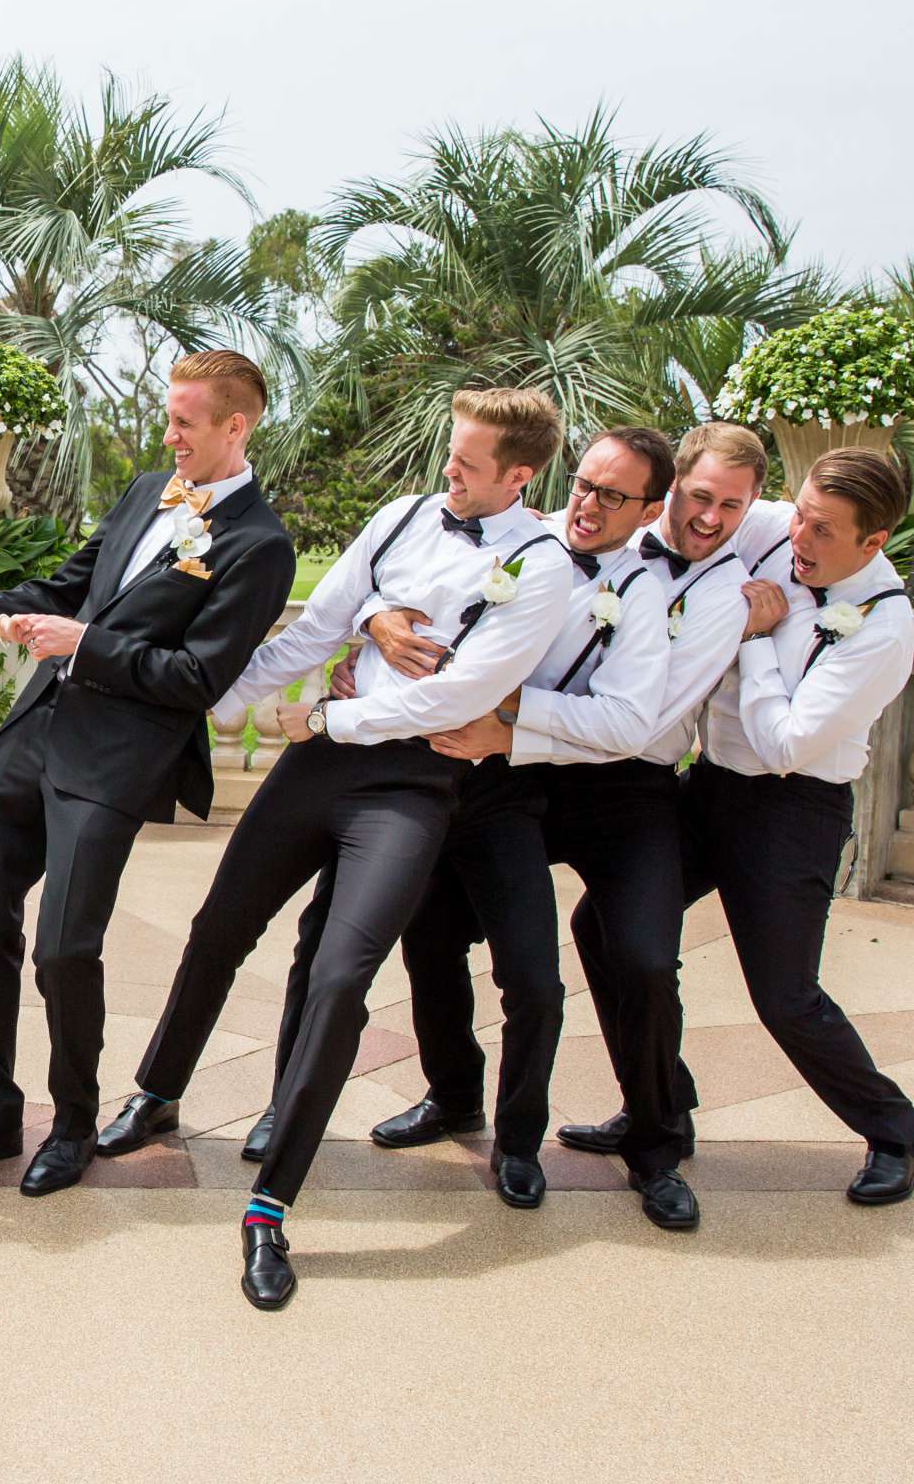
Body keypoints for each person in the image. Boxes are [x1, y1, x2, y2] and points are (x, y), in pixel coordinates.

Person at [95, 386, 572, 1310]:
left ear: (521, 475)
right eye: (451, 453)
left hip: (408, 788)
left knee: (342, 977)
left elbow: (455, 698)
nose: (449, 474)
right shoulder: (400, 516)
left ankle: (269, 1210)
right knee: (218, 928)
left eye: (470, 466)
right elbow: (317, 626)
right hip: (316, 769)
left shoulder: (545, 568)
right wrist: (211, 703)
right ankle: (157, 1090)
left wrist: (324, 712)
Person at [0, 350, 298, 1199]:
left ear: (234, 426)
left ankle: (71, 1123)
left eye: (184, 422)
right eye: (168, 417)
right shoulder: (144, 493)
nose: (167, 434)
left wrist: (89, 646)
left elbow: (199, 680)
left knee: (65, 949)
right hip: (33, 735)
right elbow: (62, 590)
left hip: (116, 760)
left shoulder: (261, 545)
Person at [356, 427, 678, 1215]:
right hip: (428, 780)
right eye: (583, 484)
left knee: (533, 978)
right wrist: (374, 622)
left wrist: (508, 722)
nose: (588, 505)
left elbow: (629, 721)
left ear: (650, 509)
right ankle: (451, 1093)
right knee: (427, 944)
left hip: (510, 791)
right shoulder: (508, 536)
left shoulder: (639, 595)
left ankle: (520, 1140)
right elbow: (386, 576)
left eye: (613, 495)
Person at [686, 446, 914, 1204]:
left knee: (785, 996)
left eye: (823, 531)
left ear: (873, 541)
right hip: (709, 788)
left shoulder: (884, 630)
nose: (799, 540)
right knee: (617, 929)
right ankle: (656, 1111)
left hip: (792, 813)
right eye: (798, 517)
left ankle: (893, 1133)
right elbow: (691, 500)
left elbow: (786, 746)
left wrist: (757, 643)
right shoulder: (783, 526)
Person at [545, 420, 765, 1224]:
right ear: (668, 491)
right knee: (436, 904)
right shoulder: (582, 541)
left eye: (732, 507)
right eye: (701, 497)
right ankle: (453, 1095)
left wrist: (512, 719)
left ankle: (657, 1143)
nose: (712, 518)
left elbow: (645, 721)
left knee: (638, 954)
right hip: (530, 776)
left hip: (634, 787)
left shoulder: (723, 596)